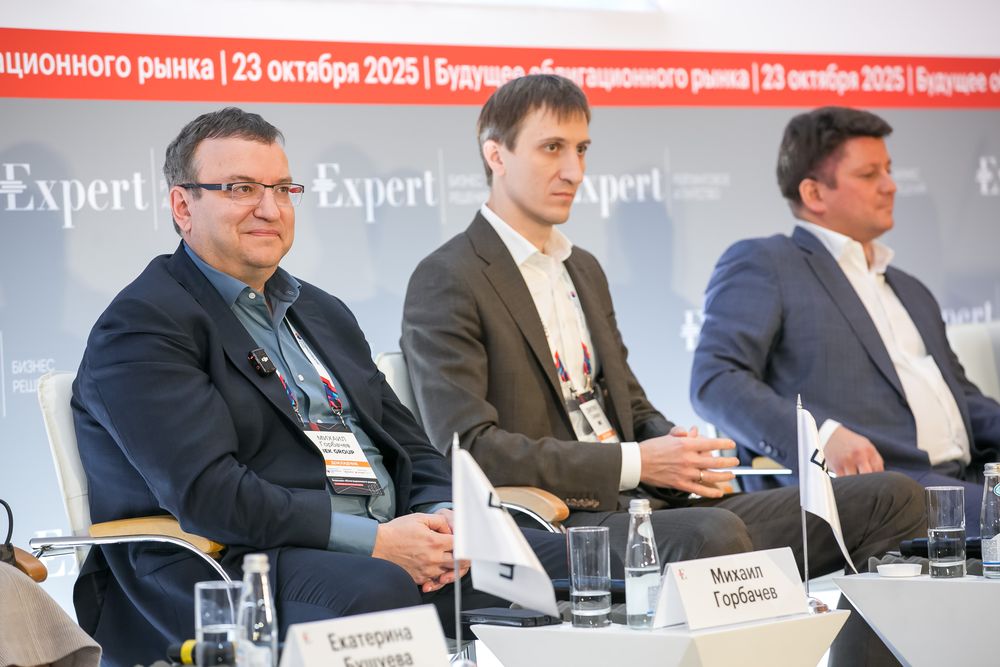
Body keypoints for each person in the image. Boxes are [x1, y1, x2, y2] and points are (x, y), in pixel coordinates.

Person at [71, 107, 567, 666]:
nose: (269, 208)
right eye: (241, 189)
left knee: (570, 563)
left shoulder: (321, 311)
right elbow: (210, 495)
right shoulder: (144, 325)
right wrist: (378, 543)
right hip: (233, 562)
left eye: (282, 189)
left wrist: (444, 516)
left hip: (385, 542)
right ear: (183, 206)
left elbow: (411, 446)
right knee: (380, 588)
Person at [690, 106, 1000, 529]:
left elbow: (962, 398)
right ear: (814, 194)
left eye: (888, 170)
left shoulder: (910, 288)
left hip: (972, 477)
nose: (890, 186)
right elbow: (716, 381)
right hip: (882, 491)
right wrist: (821, 437)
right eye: (870, 174)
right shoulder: (768, 263)